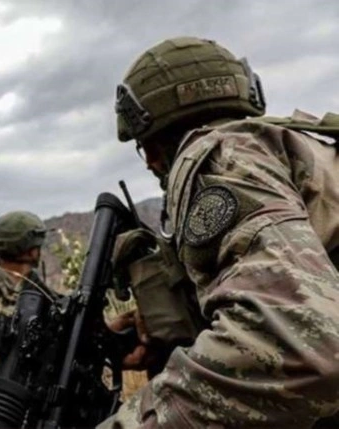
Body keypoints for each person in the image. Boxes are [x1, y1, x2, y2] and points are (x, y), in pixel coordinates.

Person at [101, 36, 339, 428]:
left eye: (145, 150)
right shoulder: (304, 148)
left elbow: (301, 348)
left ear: (154, 143)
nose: (149, 165)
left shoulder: (219, 156)